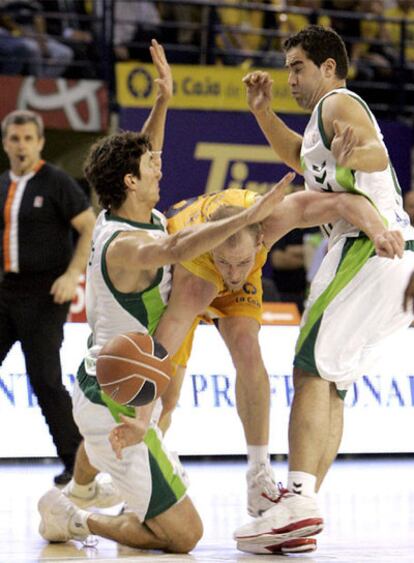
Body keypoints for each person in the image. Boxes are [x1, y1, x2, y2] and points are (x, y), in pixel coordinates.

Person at [36, 40, 294, 553]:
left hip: (109, 378)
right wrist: (246, 217)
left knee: (160, 436)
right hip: (118, 390)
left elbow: (145, 153)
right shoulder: (129, 243)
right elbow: (177, 245)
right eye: (150, 165)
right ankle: (70, 516)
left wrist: (164, 100)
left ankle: (88, 486)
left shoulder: (126, 210)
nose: (160, 165)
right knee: (185, 535)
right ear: (132, 181)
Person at [234, 25, 414, 554]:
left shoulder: (337, 102)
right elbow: (302, 157)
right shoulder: (317, 125)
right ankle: (303, 507)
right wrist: (263, 112)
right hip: (393, 256)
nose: (290, 76)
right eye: (287, 66)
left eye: (297, 66)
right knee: (330, 382)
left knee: (310, 366)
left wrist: (354, 155)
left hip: (369, 243)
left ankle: (297, 499)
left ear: (328, 67)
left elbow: (377, 155)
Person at [0, 109, 95, 484]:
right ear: (6, 143)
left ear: (39, 142)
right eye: (14, 138)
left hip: (45, 294)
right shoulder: (3, 184)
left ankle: (76, 462)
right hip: (7, 290)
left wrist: (73, 274)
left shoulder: (56, 182)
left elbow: (88, 228)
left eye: (28, 138)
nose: (21, 145)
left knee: (45, 378)